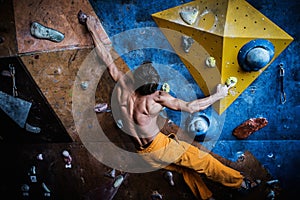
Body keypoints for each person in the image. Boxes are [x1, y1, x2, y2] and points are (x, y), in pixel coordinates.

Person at [79, 11, 260, 200]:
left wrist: (90, 27)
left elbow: (106, 58)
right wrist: (217, 95)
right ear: (153, 88)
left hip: (142, 153)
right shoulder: (156, 98)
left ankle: (206, 197)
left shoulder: (123, 84)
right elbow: (191, 107)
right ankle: (240, 183)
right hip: (158, 147)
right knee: (203, 161)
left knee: (184, 167)